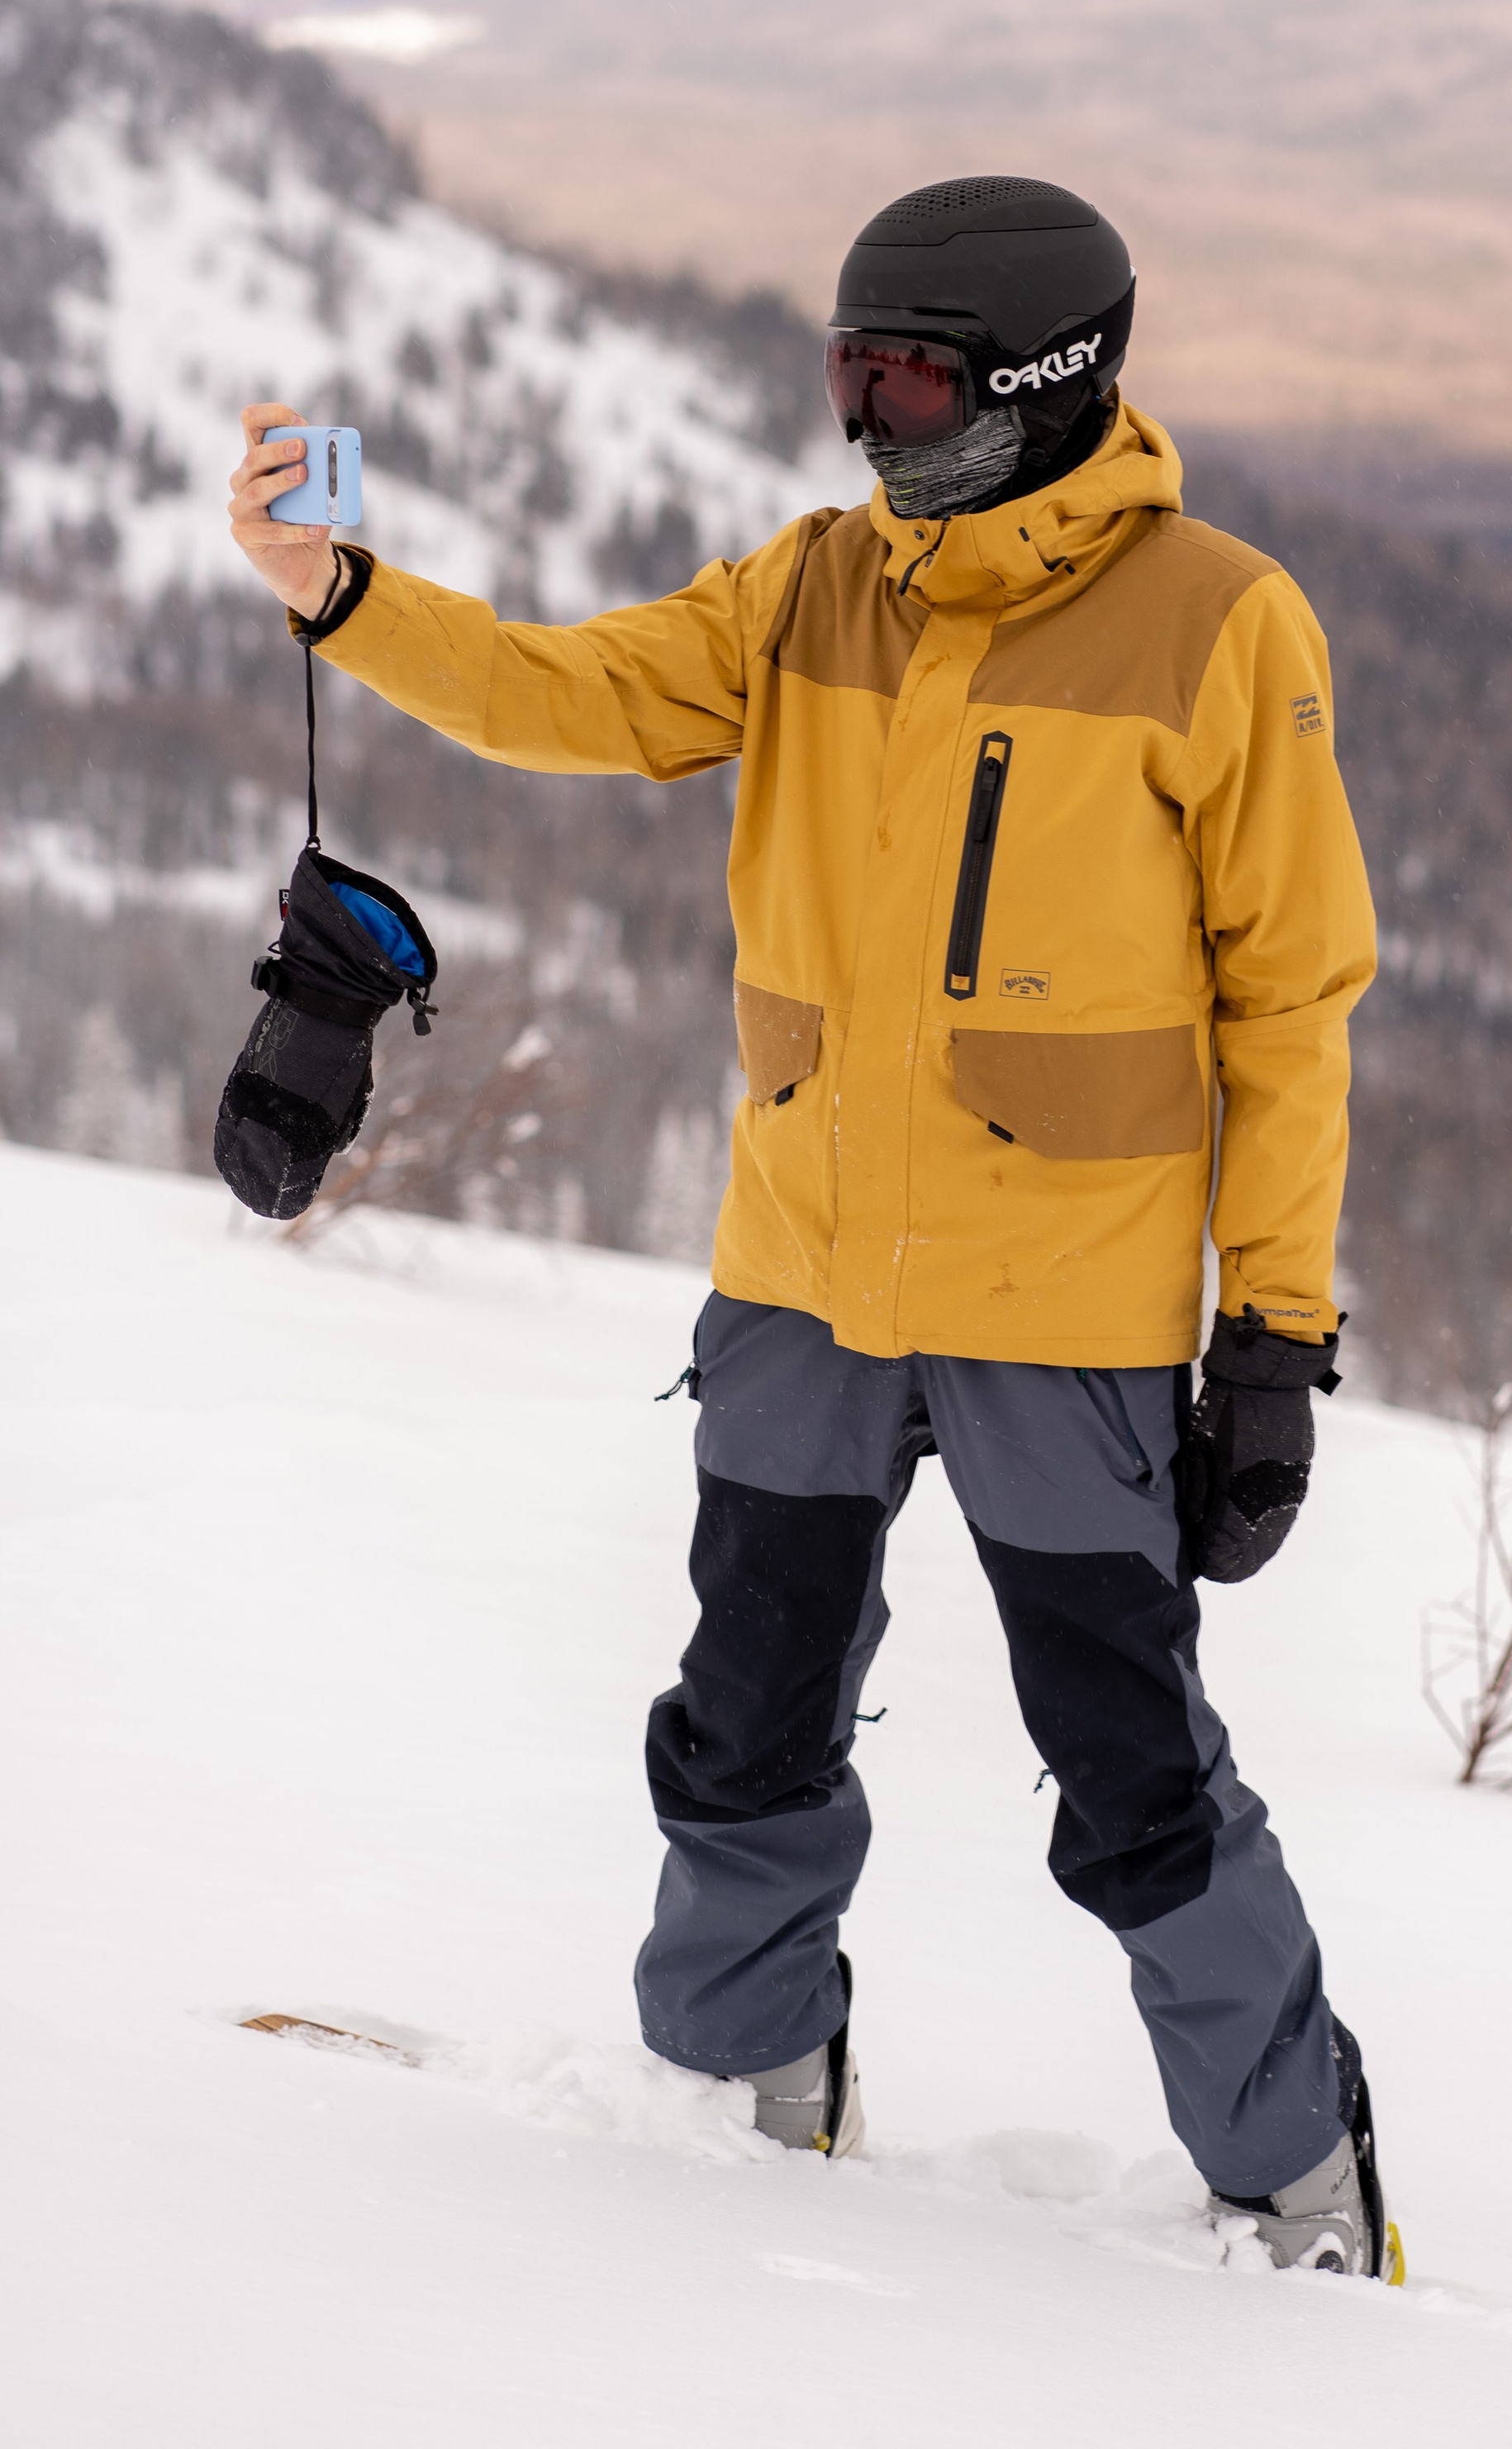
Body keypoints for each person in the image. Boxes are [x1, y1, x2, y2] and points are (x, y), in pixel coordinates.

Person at [226, 176, 1387, 2275]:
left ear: (1040, 384)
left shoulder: (1221, 624)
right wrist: (340, 596)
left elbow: (1291, 1008)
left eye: (911, 380)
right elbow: (572, 694)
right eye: (849, 374)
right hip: (800, 1281)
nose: (868, 421)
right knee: (741, 1716)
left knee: (1131, 1777)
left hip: (1067, 1313)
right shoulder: (808, 593)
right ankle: (737, 2089)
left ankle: (1295, 2180)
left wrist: (1274, 1339)